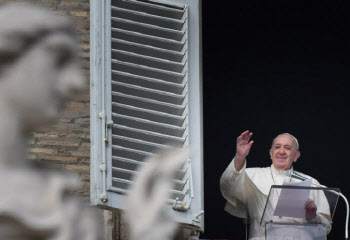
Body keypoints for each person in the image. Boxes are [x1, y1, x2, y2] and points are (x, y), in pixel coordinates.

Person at [220, 130, 331, 240]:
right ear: (271, 153)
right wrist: (239, 157)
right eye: (277, 147)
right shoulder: (251, 175)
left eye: (287, 148)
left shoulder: (311, 183)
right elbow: (228, 186)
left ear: (296, 156)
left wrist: (312, 217)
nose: (281, 151)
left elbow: (326, 228)